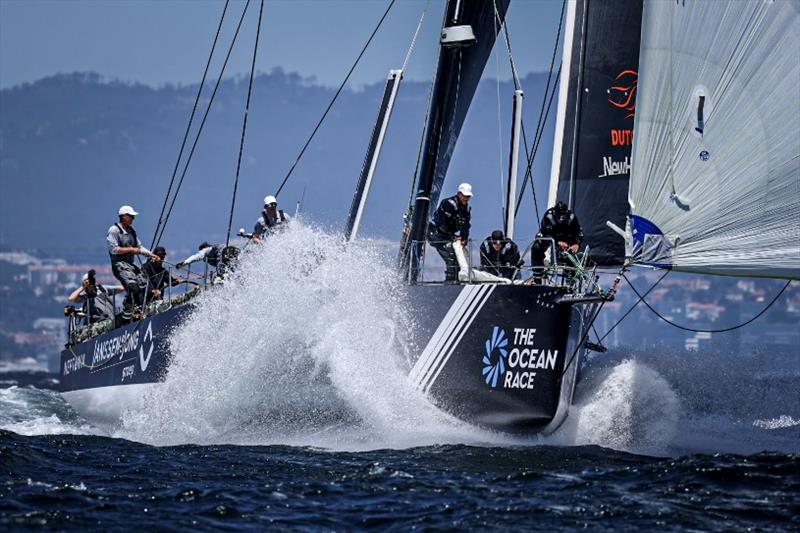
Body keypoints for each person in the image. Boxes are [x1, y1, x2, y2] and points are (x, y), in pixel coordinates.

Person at [107, 205, 159, 320]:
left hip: (130, 265)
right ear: (123, 216)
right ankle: (128, 308)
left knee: (146, 286)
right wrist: (131, 249)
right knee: (133, 288)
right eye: (131, 216)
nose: (133, 219)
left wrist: (152, 255)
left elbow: (139, 247)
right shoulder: (114, 230)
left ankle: (143, 309)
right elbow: (113, 249)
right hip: (119, 266)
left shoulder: (132, 231)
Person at [428, 183, 472, 282]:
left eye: (468, 196)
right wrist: (452, 237)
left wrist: (464, 238)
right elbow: (441, 224)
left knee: (458, 258)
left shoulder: (467, 209)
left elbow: (466, 226)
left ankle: (456, 281)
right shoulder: (448, 204)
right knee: (451, 256)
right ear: (459, 194)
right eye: (464, 196)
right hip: (436, 233)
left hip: (449, 235)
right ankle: (450, 282)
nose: (466, 198)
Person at [531, 201, 584, 271]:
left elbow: (579, 233)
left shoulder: (571, 217)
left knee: (569, 254)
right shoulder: (549, 216)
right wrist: (557, 242)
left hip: (566, 237)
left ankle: (570, 275)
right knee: (536, 247)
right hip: (550, 236)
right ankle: (537, 273)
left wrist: (577, 244)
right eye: (559, 214)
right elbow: (545, 232)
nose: (561, 218)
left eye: (563, 215)